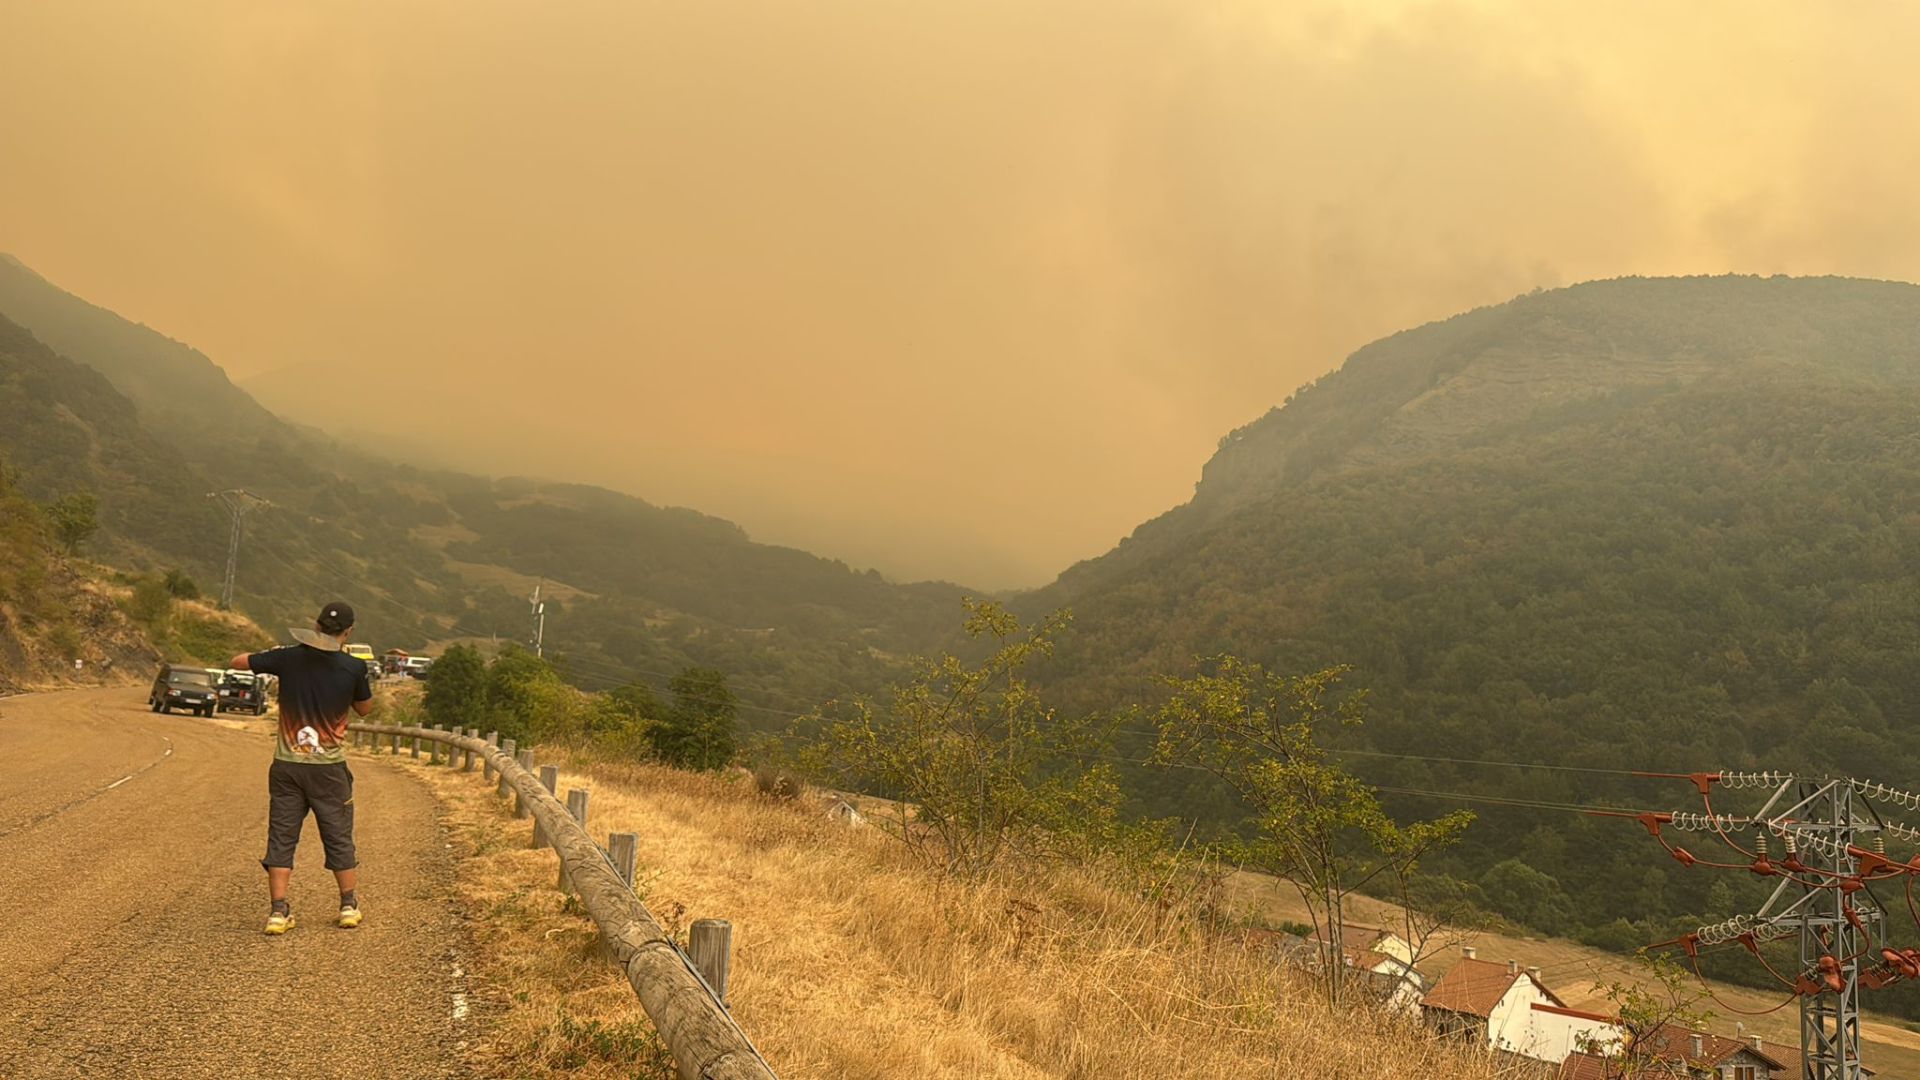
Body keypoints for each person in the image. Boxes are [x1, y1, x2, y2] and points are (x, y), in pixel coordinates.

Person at [229, 601, 373, 935]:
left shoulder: (288, 658)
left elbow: (237, 661)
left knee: (282, 837)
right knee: (338, 835)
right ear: (348, 632)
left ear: (316, 625)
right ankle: (348, 906)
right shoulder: (354, 667)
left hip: (287, 766)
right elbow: (365, 709)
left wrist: (274, 656)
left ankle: (278, 912)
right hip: (329, 769)